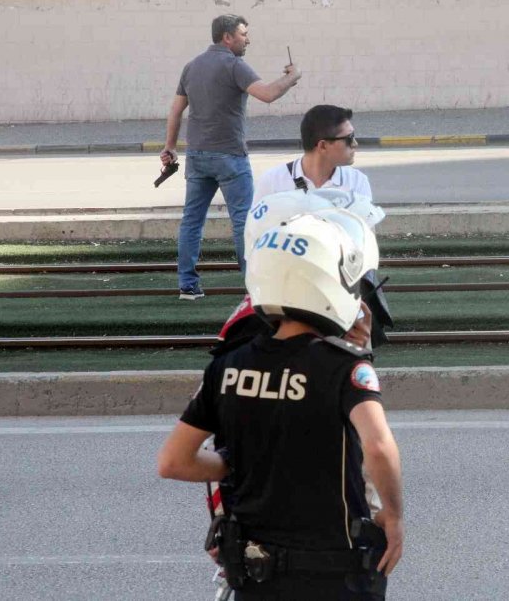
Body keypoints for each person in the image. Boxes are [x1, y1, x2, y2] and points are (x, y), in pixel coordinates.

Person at [157, 212, 404, 600]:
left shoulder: (226, 367)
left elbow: (173, 462)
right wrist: (394, 516)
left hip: (257, 574)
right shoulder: (345, 369)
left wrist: (230, 459)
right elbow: (376, 446)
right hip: (333, 575)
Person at [161, 14, 302, 300]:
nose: (247, 39)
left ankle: (187, 285)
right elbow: (267, 94)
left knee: (192, 220)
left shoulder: (191, 67)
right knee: (244, 221)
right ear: (227, 37)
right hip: (230, 156)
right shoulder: (234, 65)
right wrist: (291, 77)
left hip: (197, 156)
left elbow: (176, 111)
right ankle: (254, 284)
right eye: (243, 34)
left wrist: (170, 147)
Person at [253, 105, 371, 203]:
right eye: (349, 138)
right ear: (323, 146)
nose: (355, 144)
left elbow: (366, 229)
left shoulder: (357, 182)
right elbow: (256, 229)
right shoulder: (273, 182)